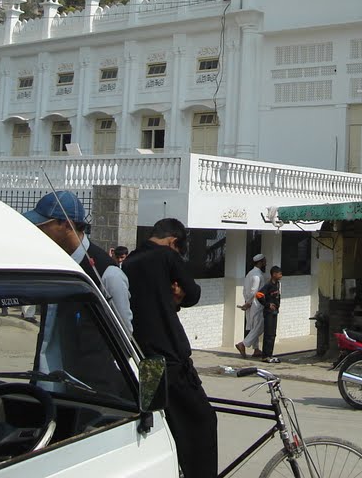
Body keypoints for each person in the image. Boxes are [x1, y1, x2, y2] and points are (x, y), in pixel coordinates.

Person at [123, 217, 217, 478]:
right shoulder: (167, 256)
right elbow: (193, 293)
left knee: (161, 426)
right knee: (202, 423)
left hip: (146, 361)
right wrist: (180, 296)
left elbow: (148, 304)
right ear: (173, 242)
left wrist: (171, 300)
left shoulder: (129, 262)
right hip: (171, 361)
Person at [24, 191, 132, 332]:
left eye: (43, 226)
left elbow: (123, 332)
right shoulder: (53, 264)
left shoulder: (107, 274)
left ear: (67, 225)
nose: (37, 231)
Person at [236, 253, 267, 358]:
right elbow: (254, 291)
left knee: (254, 326)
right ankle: (243, 344)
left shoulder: (250, 273)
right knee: (259, 326)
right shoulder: (257, 275)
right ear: (260, 262)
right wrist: (249, 303)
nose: (265, 263)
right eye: (264, 261)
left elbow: (245, 290)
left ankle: (256, 349)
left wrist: (247, 301)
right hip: (256, 303)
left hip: (250, 302)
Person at [257, 266, 283, 363]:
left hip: (275, 312)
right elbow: (259, 295)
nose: (281, 275)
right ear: (274, 274)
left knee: (273, 334)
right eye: (279, 273)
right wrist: (267, 304)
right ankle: (265, 356)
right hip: (268, 313)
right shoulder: (268, 285)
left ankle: (270, 354)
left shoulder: (277, 284)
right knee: (268, 334)